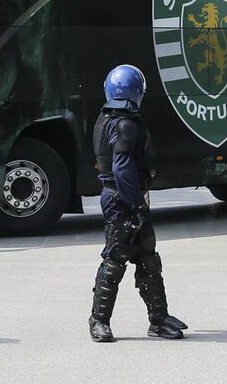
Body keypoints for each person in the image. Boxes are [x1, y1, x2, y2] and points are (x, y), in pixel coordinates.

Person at [88, 64, 187, 342]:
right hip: (123, 199)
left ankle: (159, 319)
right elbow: (121, 168)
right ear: (135, 93)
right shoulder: (124, 123)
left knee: (148, 258)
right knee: (116, 258)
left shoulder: (107, 118)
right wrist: (137, 206)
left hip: (124, 196)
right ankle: (98, 321)